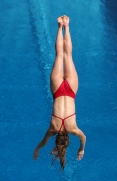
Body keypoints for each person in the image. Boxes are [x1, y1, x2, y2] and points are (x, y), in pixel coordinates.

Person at [33, 15, 86, 170]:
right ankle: (59, 26)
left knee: (68, 56)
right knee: (59, 56)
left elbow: (84, 138)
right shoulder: (52, 129)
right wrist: (37, 149)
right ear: (56, 139)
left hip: (70, 90)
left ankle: (67, 26)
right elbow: (43, 142)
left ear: (68, 139)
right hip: (57, 90)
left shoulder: (74, 129)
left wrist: (81, 148)